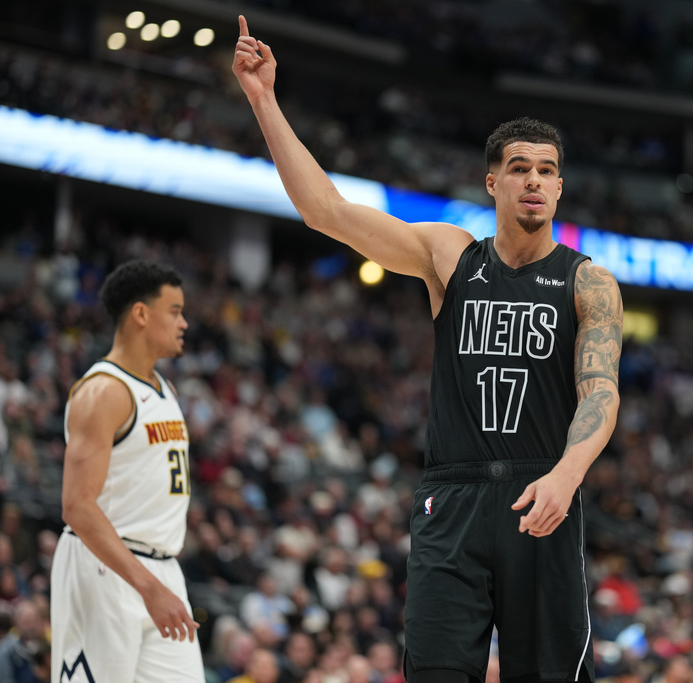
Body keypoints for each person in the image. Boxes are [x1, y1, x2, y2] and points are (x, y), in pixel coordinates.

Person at [233, 16, 622, 683]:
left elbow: (601, 390)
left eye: (547, 171)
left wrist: (568, 472)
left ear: (559, 188)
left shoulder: (589, 281)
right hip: (454, 495)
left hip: (543, 490)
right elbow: (325, 210)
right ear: (492, 183)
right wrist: (264, 99)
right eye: (519, 168)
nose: (534, 180)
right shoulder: (449, 255)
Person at [51, 261, 203, 682]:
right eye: (174, 311)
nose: (184, 323)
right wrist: (148, 587)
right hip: (103, 566)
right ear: (140, 314)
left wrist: (157, 584)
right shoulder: (103, 392)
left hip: (162, 568)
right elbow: (77, 507)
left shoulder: (164, 387)